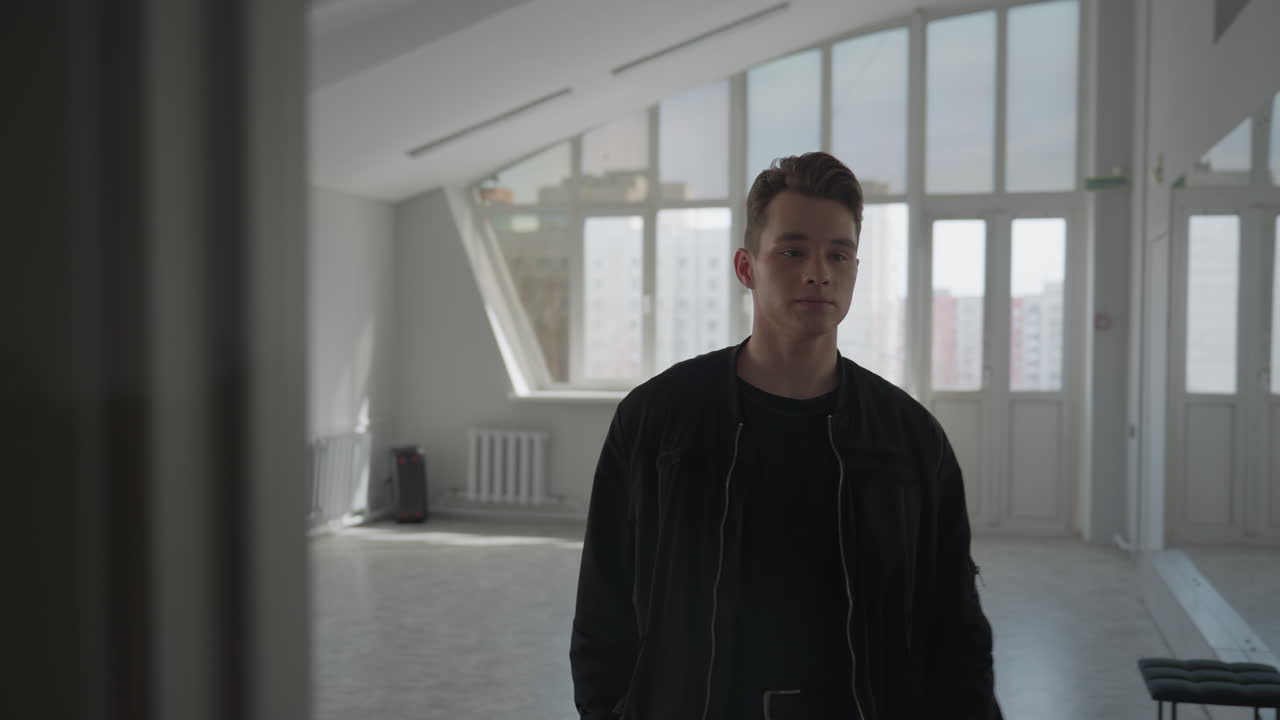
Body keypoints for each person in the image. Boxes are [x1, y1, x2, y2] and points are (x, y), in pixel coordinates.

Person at [570, 152, 1002, 720]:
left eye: (838, 254)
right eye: (793, 250)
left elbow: (956, 631)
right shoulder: (657, 421)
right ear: (746, 267)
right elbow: (604, 611)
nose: (818, 271)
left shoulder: (909, 439)